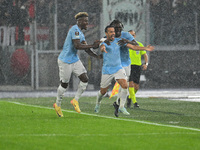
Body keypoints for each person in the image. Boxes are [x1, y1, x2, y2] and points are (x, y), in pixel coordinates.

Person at [94, 25, 154, 117]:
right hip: (107, 69)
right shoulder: (104, 41)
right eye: (110, 32)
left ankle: (121, 106)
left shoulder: (119, 41)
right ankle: (98, 103)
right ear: (106, 33)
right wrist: (103, 48)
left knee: (125, 85)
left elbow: (133, 47)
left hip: (118, 68)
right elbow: (102, 47)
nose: (113, 33)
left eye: (113, 31)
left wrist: (145, 48)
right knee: (103, 91)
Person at [53, 12, 101, 117]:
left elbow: (86, 49)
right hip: (65, 60)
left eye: (87, 21)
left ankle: (75, 100)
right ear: (79, 21)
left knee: (85, 79)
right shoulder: (74, 30)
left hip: (74, 60)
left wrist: (97, 56)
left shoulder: (81, 33)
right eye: (85, 21)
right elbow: (77, 46)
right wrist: (93, 45)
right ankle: (58, 104)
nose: (87, 23)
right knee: (64, 84)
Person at [127, 30, 148, 108]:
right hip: (129, 66)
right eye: (130, 35)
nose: (132, 37)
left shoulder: (139, 44)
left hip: (137, 67)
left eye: (133, 35)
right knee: (131, 84)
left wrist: (146, 64)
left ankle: (129, 98)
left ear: (135, 36)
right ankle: (135, 102)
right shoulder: (126, 45)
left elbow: (145, 55)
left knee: (136, 87)